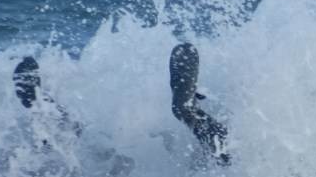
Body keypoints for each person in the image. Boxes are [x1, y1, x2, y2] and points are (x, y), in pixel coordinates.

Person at [12, 43, 230, 167]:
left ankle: (39, 102)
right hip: (162, 159)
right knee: (88, 146)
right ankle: (39, 102)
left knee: (218, 152)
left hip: (210, 161)